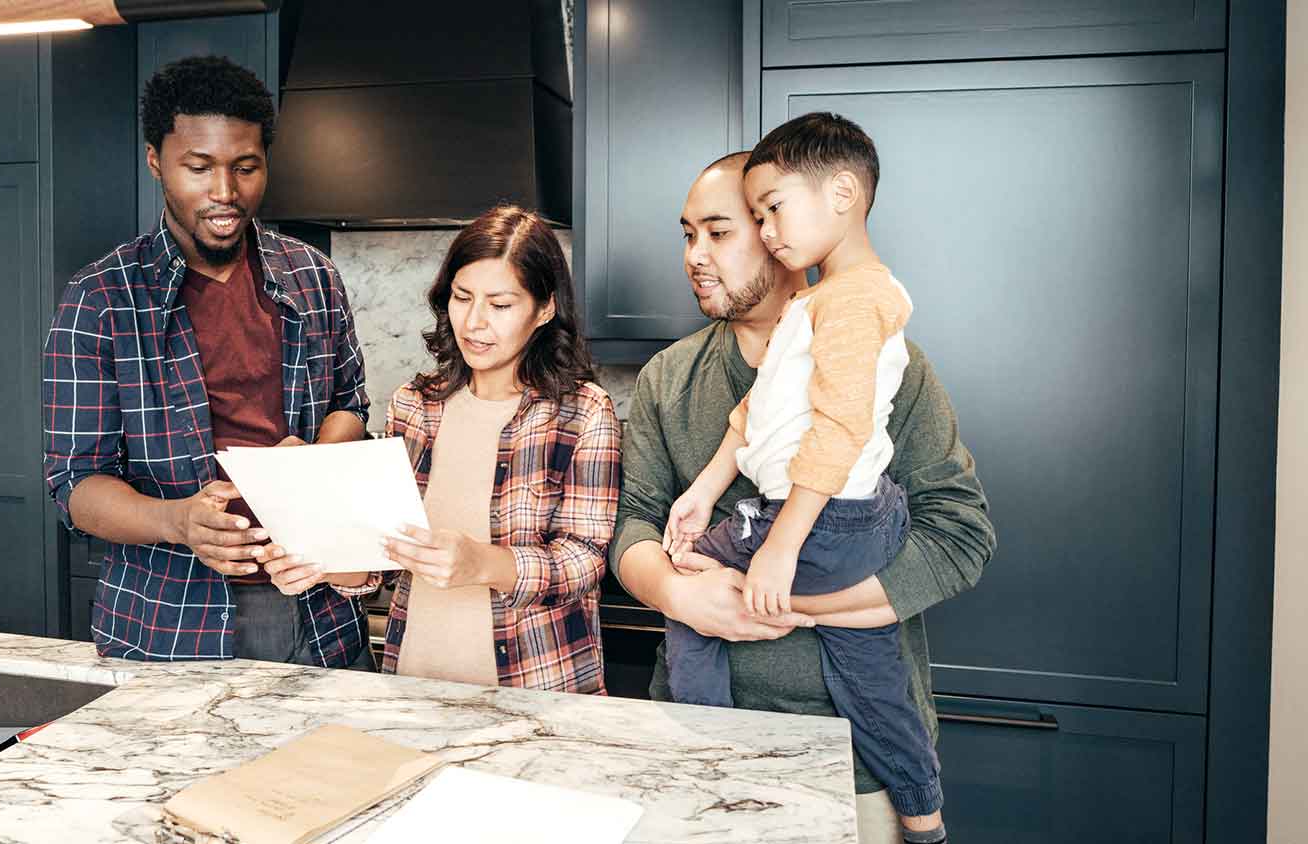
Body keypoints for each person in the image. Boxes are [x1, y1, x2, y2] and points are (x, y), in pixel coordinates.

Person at [612, 147, 995, 843]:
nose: (695, 255)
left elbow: (959, 538)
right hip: (696, 752)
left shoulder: (886, 364)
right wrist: (678, 595)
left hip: (856, 765)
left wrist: (790, 603)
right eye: (687, 234)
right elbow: (634, 522)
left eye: (720, 232)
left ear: (778, 231)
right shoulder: (669, 378)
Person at [43, 55, 376, 666]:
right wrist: (178, 522)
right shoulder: (101, 298)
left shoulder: (312, 276)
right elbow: (75, 484)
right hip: (167, 621)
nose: (225, 192)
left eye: (245, 168)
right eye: (198, 168)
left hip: (320, 607)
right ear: (157, 162)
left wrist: (317, 460)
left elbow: (349, 407)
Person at [271, 206, 620, 693]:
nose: (475, 322)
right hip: (415, 682)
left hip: (537, 693)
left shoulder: (583, 412)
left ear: (544, 309)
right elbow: (382, 558)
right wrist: (323, 562)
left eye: (500, 305)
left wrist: (483, 564)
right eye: (462, 298)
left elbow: (585, 561)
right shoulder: (415, 405)